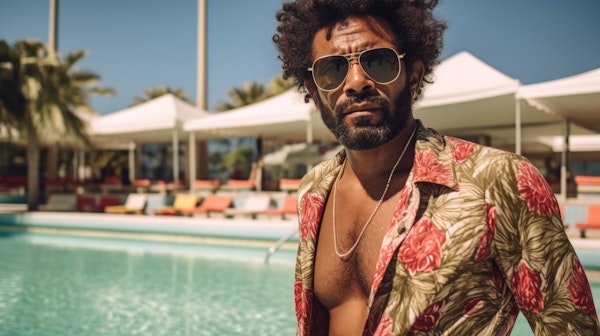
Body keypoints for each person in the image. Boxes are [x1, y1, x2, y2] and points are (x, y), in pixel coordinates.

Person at [273, 1, 599, 335]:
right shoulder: (314, 189)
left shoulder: (498, 181)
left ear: (413, 76)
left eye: (379, 61)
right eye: (333, 69)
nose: (357, 82)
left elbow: (572, 328)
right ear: (314, 92)